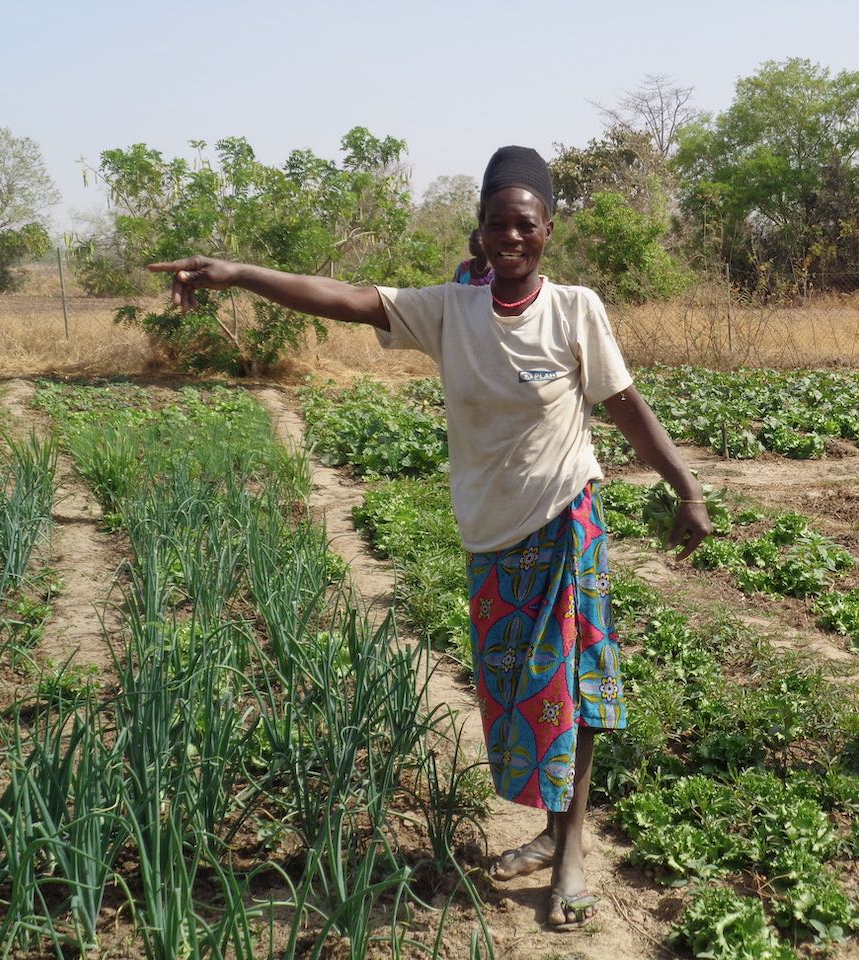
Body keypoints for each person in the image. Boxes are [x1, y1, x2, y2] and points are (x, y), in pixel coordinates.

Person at [149, 145, 712, 928]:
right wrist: (238, 273)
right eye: (497, 224)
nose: (511, 237)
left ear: (548, 229)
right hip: (491, 536)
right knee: (515, 695)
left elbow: (625, 407)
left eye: (526, 224)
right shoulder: (449, 311)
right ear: (479, 233)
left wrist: (687, 488)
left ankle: (571, 852)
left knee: (568, 691)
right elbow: (344, 298)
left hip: (564, 522)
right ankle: (553, 832)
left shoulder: (576, 308)